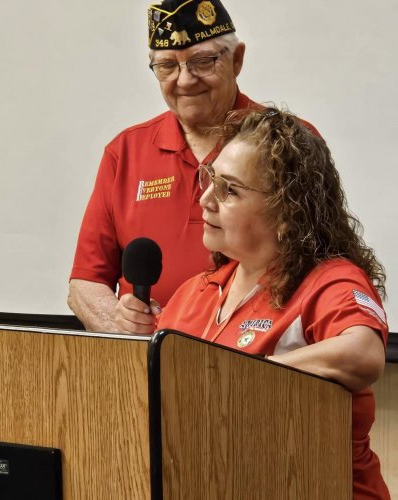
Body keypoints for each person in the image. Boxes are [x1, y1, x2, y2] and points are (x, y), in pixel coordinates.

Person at [115, 108, 390, 499]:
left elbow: (361, 355)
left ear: (286, 211)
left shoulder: (329, 280)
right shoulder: (198, 290)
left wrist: (236, 379)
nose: (205, 199)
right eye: (209, 179)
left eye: (230, 190)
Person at [68, 0, 318, 332]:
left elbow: (321, 259)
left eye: (202, 61)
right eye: (167, 66)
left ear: (237, 59)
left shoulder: (287, 144)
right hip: (149, 363)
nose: (185, 81)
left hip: (253, 357)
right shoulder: (124, 152)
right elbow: (85, 283)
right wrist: (120, 327)